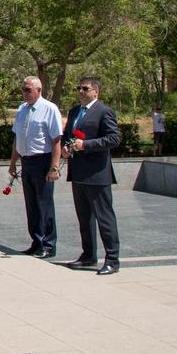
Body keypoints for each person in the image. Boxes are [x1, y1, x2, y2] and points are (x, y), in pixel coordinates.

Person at [62, 76, 121, 276]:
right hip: (78, 173)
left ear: (96, 91)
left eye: (85, 89)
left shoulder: (104, 111)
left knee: (104, 219)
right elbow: (68, 136)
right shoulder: (74, 111)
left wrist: (85, 145)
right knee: (84, 218)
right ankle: (88, 255)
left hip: (97, 174)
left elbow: (114, 138)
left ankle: (112, 260)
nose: (80, 92)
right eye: (78, 88)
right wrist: (66, 148)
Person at [8, 77, 63, 258]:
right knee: (31, 204)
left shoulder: (49, 109)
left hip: (42, 161)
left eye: (28, 90)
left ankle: (48, 244)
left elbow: (56, 140)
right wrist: (13, 162)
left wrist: (54, 167)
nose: (25, 93)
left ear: (39, 90)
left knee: (44, 203)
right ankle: (36, 241)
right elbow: (18, 138)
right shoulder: (22, 110)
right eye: (23, 89)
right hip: (27, 161)